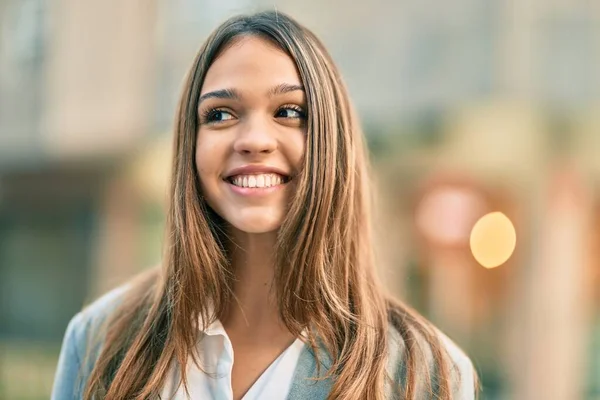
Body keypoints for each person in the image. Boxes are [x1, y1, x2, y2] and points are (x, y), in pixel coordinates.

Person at [51, 10, 477, 400]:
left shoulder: (428, 374)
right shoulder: (99, 340)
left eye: (289, 111)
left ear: (332, 142)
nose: (254, 139)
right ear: (190, 144)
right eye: (220, 114)